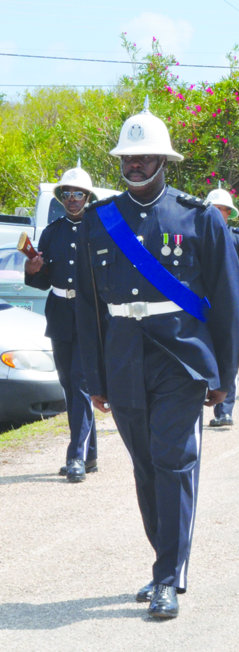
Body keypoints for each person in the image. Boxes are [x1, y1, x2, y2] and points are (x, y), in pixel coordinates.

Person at [75, 101, 239, 618]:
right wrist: (94, 378)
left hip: (180, 359)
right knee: (147, 468)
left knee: (172, 460)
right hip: (123, 359)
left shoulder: (197, 218)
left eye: (146, 156)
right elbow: (89, 309)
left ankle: (167, 576)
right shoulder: (100, 221)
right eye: (129, 156)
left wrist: (224, 377)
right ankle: (168, 561)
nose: (136, 164)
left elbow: (229, 302)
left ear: (164, 160)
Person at [24, 163, 98, 483]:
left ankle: (76, 456)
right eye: (67, 194)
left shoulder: (98, 231)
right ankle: (91, 453)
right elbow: (42, 281)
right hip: (59, 313)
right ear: (61, 198)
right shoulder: (51, 232)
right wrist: (34, 270)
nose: (72, 199)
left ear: (87, 197)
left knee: (81, 383)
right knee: (70, 386)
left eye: (78, 194)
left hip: (87, 313)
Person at [204, 188, 239, 426]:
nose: (216, 215)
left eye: (221, 211)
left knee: (228, 357)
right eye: (212, 210)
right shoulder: (193, 236)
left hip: (231, 308)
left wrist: (229, 296)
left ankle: (224, 410)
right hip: (200, 307)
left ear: (228, 213)